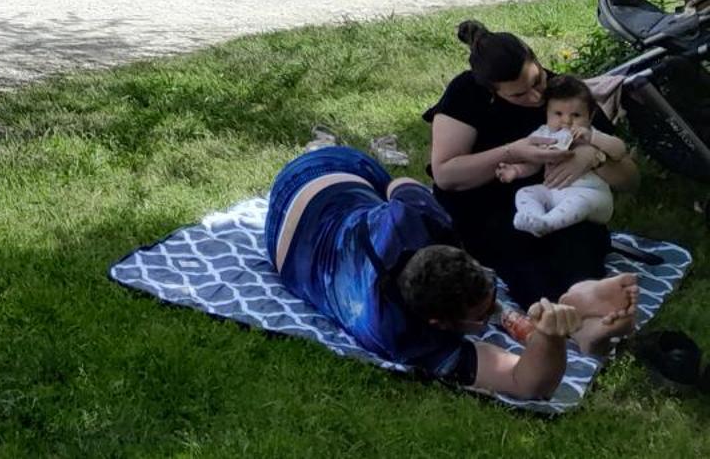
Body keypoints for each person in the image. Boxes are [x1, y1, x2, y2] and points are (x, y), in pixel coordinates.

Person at [267, 145, 634, 397]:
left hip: (327, 188)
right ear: (438, 324)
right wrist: (550, 339)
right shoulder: (401, 335)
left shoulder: (415, 218)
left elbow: (401, 185)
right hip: (315, 191)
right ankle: (577, 318)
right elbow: (528, 383)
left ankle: (578, 306)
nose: (492, 313)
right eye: (480, 317)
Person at [424, 20, 639, 316]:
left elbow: (630, 179)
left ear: (536, 60)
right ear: (491, 90)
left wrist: (591, 157)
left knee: (579, 247)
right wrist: (513, 152)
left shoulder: (565, 96)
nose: (536, 97)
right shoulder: (467, 94)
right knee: (526, 259)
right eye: (518, 95)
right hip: (487, 205)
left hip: (557, 203)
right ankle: (562, 313)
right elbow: (446, 175)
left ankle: (585, 305)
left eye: (537, 81)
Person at [495, 77, 621, 237]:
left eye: (576, 115)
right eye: (558, 114)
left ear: (590, 116)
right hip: (554, 193)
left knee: (578, 202)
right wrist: (516, 170)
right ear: (546, 113)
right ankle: (535, 219)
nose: (566, 121)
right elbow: (534, 164)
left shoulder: (591, 133)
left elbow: (619, 150)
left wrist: (592, 139)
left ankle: (548, 223)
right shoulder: (543, 135)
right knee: (525, 192)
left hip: (592, 195)